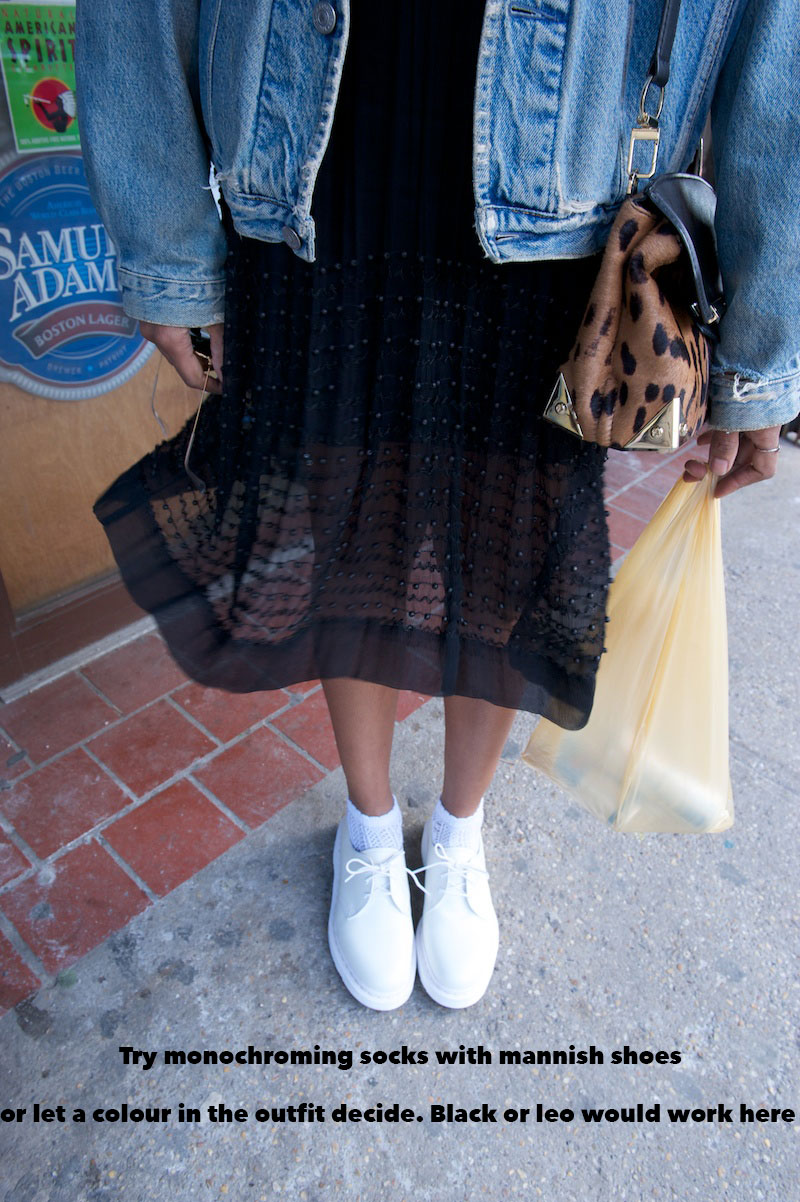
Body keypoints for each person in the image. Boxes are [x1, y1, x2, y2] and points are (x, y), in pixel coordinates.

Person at [75, 0, 798, 1011]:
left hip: (563, 192)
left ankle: (457, 828)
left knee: (511, 559)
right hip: (320, 160)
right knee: (347, 539)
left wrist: (763, 353)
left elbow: (777, 49)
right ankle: (369, 827)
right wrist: (164, 240)